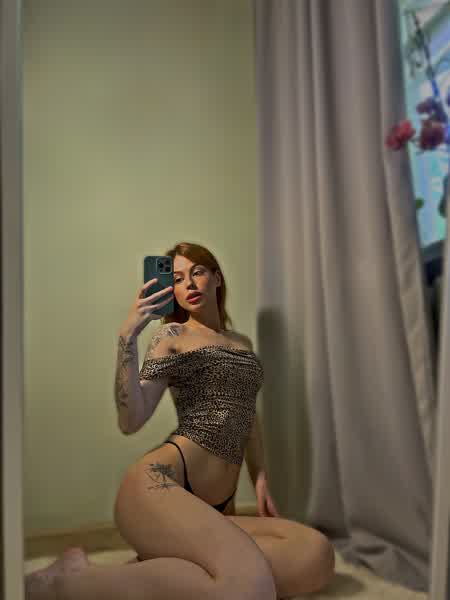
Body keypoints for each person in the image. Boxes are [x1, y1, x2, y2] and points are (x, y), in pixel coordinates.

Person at [25, 242, 335, 600]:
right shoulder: (172, 336)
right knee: (249, 585)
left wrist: (260, 475)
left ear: (216, 278)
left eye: (197, 272)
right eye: (176, 279)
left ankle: (161, 568)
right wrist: (128, 337)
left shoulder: (242, 342)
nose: (188, 283)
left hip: (218, 506)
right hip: (160, 485)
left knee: (315, 554)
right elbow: (131, 420)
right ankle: (68, 581)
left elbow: (246, 412)